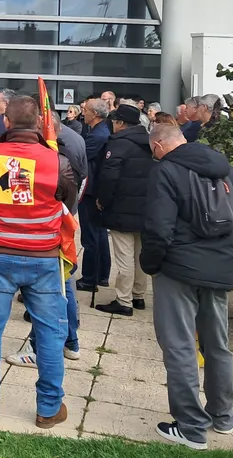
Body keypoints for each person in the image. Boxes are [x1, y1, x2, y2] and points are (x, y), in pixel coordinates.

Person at [0, 96, 77, 430]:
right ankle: (48, 408)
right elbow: (69, 202)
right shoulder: (57, 160)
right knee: (51, 334)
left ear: (6, 122)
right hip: (43, 256)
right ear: (41, 123)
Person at [141, 124, 233, 451]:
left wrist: (151, 264)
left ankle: (191, 426)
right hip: (220, 268)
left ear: (159, 146)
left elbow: (158, 228)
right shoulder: (229, 171)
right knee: (217, 344)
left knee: (179, 346)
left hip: (177, 270)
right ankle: (223, 414)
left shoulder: (165, 171)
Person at [6, 111, 86, 368]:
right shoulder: (71, 144)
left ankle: (39, 347)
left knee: (50, 293)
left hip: (49, 229)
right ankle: (71, 341)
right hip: (60, 223)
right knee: (65, 286)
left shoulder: (55, 155)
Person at [94, 104, 156, 317]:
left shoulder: (118, 143)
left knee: (124, 257)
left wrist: (102, 200)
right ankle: (138, 295)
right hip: (145, 207)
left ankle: (124, 300)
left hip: (121, 208)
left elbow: (109, 177)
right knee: (139, 255)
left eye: (114, 121)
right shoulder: (149, 142)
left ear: (120, 123)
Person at [76, 98, 111, 292]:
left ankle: (90, 278)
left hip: (91, 191)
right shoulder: (98, 131)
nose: (84, 113)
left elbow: (81, 157)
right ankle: (101, 275)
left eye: (86, 110)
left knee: (91, 236)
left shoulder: (97, 135)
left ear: (95, 114)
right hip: (94, 189)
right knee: (98, 234)